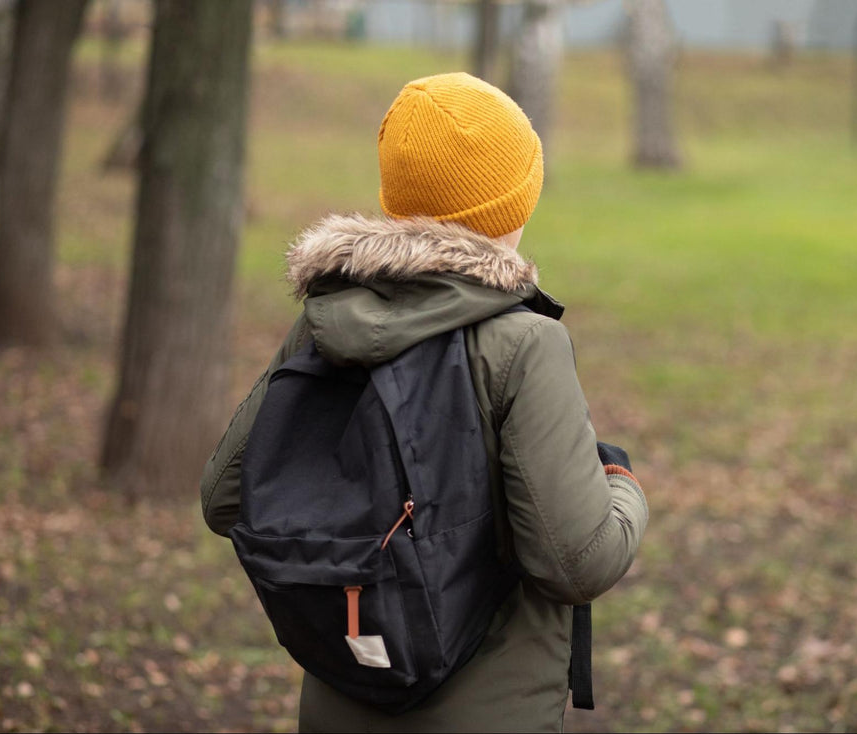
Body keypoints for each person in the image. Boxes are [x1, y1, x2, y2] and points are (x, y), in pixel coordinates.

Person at [199, 71, 648, 733]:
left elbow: (225, 496)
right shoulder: (523, 343)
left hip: (338, 701)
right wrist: (624, 487)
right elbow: (576, 561)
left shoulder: (328, 319)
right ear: (513, 205)